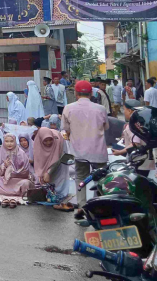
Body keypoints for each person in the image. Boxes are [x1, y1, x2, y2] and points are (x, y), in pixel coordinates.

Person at [62, 80, 109, 219]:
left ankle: (82, 206)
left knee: (81, 177)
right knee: (101, 179)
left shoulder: (68, 108)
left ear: (76, 94)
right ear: (91, 93)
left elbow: (66, 129)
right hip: (98, 150)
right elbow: (106, 127)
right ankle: (98, 206)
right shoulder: (100, 109)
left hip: (79, 150)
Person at [0, 133, 34, 197]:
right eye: (7, 141)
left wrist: (13, 171)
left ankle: (4, 191)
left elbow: (25, 171)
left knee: (26, 183)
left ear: (15, 142)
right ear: (4, 142)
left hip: (18, 179)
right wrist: (4, 166)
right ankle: (15, 192)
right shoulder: (1, 151)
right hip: (5, 180)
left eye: (11, 141)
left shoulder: (21, 152)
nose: (9, 144)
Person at [32, 127, 68, 199]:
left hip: (59, 155)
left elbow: (57, 159)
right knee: (44, 177)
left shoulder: (57, 140)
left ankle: (59, 193)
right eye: (45, 141)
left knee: (59, 172)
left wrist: (48, 172)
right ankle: (48, 192)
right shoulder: (37, 143)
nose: (48, 143)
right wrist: (41, 173)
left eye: (50, 140)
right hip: (49, 158)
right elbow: (39, 160)